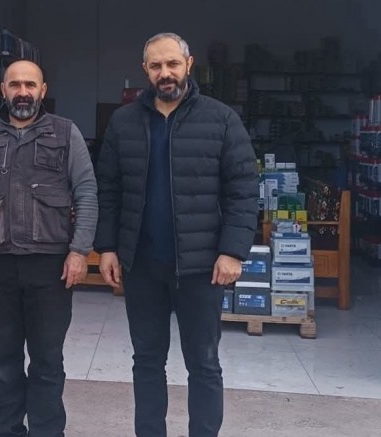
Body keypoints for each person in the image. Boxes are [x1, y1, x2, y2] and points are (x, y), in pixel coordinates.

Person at [93, 32, 259, 437]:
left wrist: (233, 251)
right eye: (156, 66)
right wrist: (107, 247)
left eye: (172, 63)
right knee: (147, 360)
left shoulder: (221, 119)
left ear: (189, 64)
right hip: (142, 265)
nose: (164, 72)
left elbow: (243, 189)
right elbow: (108, 189)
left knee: (203, 362)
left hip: (202, 267)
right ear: (145, 70)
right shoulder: (124, 122)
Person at [0, 60, 98, 437]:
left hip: (50, 267)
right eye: (15, 85)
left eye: (30, 85)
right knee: (2, 361)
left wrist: (80, 250)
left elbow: (86, 191)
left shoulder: (66, 133)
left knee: (47, 361)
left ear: (42, 90)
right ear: (3, 90)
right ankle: (6, 430)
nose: (23, 92)